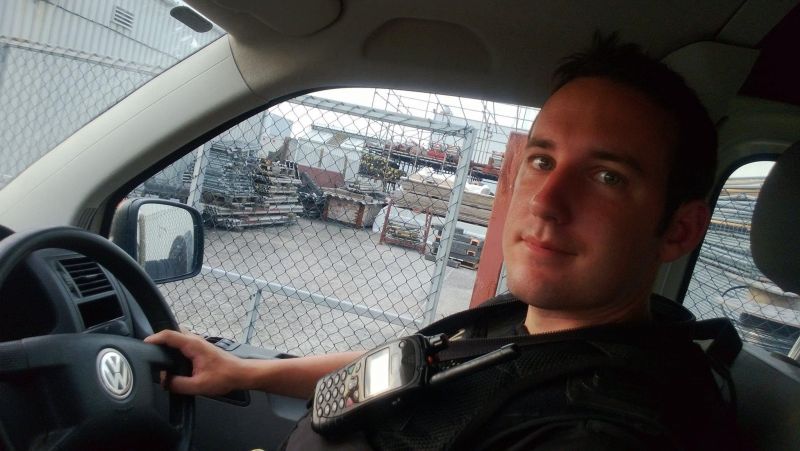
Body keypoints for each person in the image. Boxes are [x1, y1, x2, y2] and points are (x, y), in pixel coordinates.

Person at [146, 34, 738, 449]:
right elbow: (412, 370)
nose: (547, 201)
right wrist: (244, 372)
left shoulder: (597, 429)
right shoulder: (538, 332)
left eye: (608, 177)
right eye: (541, 160)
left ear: (680, 229)